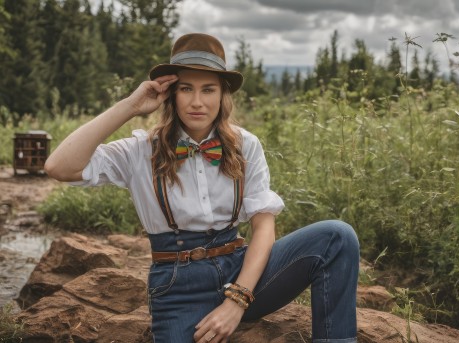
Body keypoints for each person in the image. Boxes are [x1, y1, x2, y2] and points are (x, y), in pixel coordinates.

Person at [44, 33, 359, 343]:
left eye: (208, 89)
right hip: (177, 286)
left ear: (222, 95)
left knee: (337, 237)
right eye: (186, 89)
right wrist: (130, 105)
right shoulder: (140, 150)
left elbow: (264, 227)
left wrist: (237, 301)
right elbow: (59, 166)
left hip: (243, 272)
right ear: (171, 94)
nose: (197, 102)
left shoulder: (245, 144)